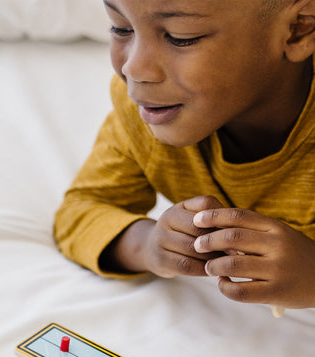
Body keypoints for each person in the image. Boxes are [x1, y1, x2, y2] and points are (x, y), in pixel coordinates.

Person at [54, 0, 315, 311]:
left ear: (298, 29)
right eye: (121, 28)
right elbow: (80, 211)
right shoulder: (146, 112)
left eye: (180, 37)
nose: (134, 69)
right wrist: (148, 246)